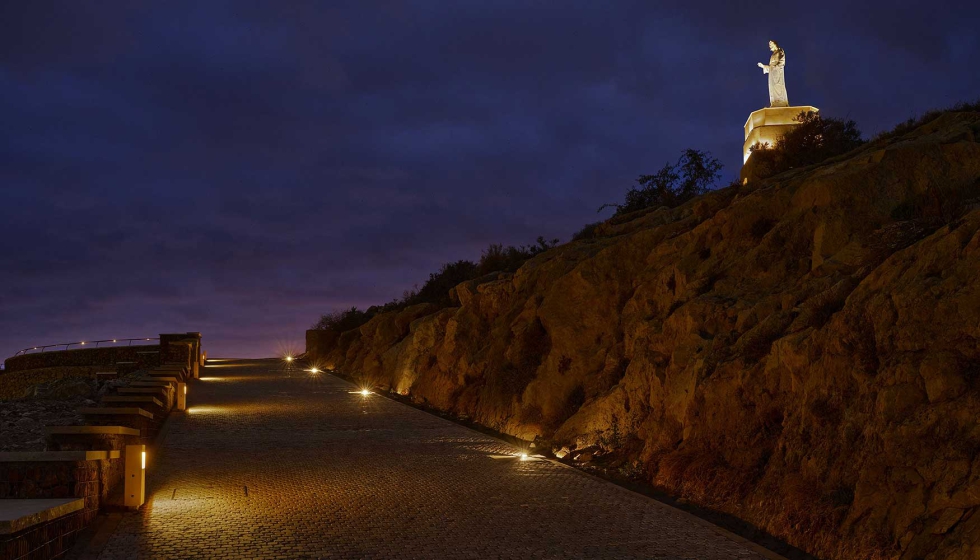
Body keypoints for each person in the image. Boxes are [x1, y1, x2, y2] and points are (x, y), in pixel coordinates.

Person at [757, 40, 788, 107]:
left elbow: (781, 62)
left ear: (775, 44)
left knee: (778, 87)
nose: (769, 46)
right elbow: (770, 67)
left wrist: (775, 68)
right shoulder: (772, 55)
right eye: (769, 45)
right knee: (772, 88)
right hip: (772, 74)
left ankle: (781, 102)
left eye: (771, 44)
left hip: (778, 73)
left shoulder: (780, 52)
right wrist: (763, 66)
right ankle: (774, 103)